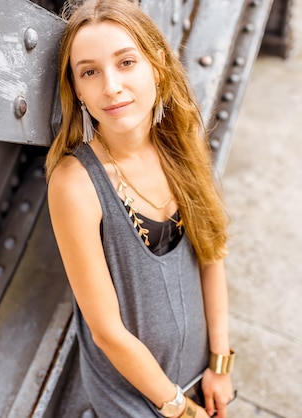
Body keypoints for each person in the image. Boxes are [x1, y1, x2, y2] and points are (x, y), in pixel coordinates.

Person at [46, 1, 235, 417]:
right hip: (134, 398)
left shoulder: (181, 148)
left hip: (199, 374)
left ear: (158, 66)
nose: (110, 86)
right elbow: (107, 331)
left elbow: (212, 255)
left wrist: (220, 363)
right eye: (89, 71)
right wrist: (179, 409)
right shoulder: (75, 184)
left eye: (126, 62)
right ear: (77, 89)